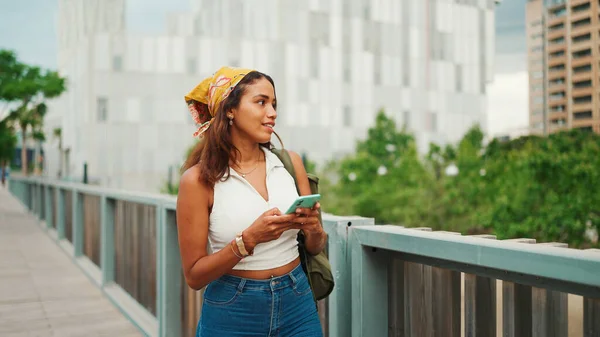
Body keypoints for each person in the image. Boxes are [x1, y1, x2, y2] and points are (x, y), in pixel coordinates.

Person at [177, 66, 327, 337]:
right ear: (230, 110)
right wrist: (248, 240)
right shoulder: (198, 180)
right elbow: (194, 276)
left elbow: (315, 247)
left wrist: (314, 229)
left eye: (274, 104)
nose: (272, 113)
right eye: (261, 102)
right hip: (232, 310)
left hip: (298, 303)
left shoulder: (290, 163)